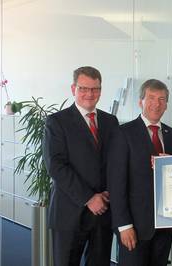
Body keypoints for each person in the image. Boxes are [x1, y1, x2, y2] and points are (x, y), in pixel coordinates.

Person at [43, 66, 119, 266]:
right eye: (84, 88)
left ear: (100, 91)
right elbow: (56, 166)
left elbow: (116, 162)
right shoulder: (57, 122)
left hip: (103, 212)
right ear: (73, 89)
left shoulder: (111, 121)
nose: (89, 94)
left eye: (95, 89)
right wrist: (88, 198)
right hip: (69, 212)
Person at [108, 79, 172, 266]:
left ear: (166, 104)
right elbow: (116, 184)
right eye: (151, 98)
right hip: (134, 227)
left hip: (165, 225)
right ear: (140, 101)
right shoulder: (123, 133)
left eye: (162, 99)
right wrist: (124, 225)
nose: (156, 104)